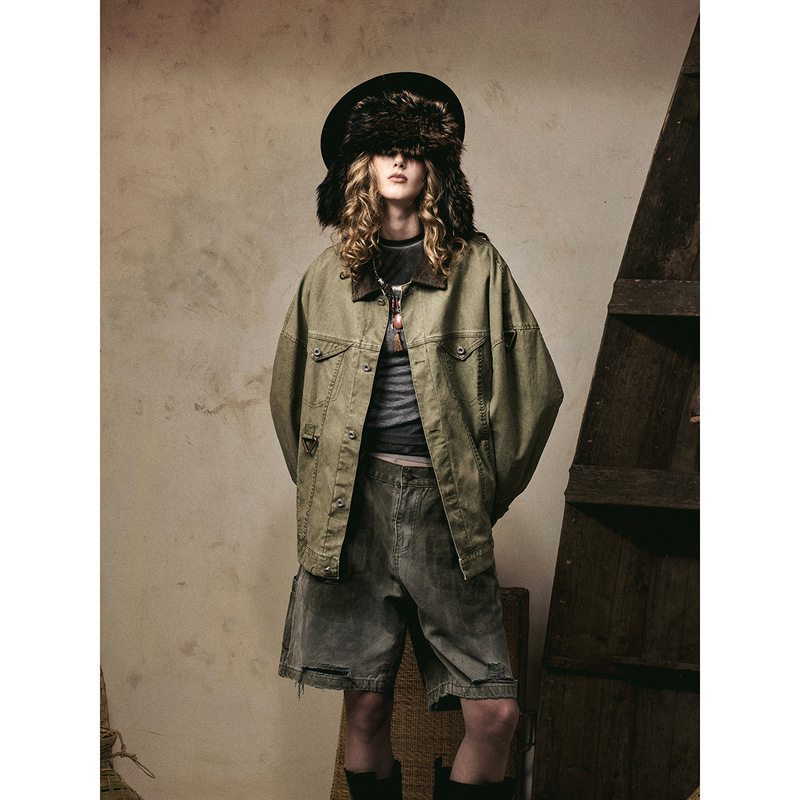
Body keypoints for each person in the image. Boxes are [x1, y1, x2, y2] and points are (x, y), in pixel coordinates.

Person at [270, 73, 563, 800]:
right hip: (352, 513)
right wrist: (327, 490)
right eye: (382, 149)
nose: (398, 160)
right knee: (366, 706)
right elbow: (290, 402)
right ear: (360, 168)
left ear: (435, 168)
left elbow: (535, 394)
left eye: (413, 149)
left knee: (493, 713)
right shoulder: (326, 277)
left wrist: (478, 491)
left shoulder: (479, 268)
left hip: (444, 508)